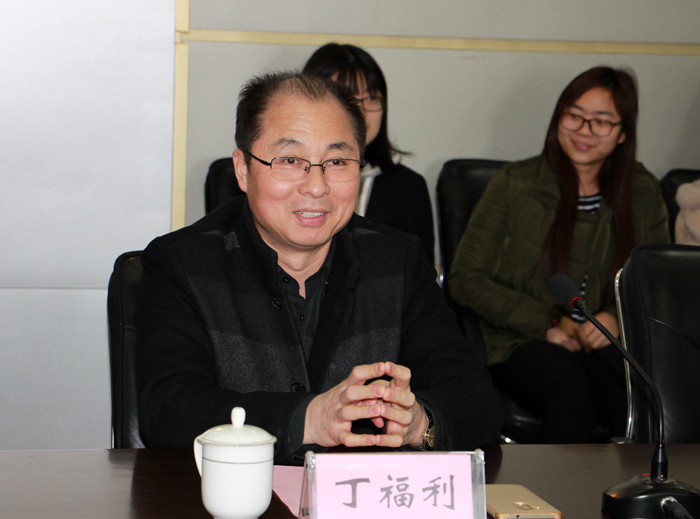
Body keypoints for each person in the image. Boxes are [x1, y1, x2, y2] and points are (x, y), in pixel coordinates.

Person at [136, 71, 503, 465]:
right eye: (290, 160)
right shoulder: (182, 263)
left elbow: (477, 401)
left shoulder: (397, 262)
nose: (316, 186)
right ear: (243, 169)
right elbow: (168, 410)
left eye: (337, 161)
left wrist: (418, 424)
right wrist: (309, 419)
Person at [448, 66, 669, 443]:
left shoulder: (642, 191)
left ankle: (637, 481)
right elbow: (465, 278)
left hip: (600, 339)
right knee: (570, 390)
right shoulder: (515, 184)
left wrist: (614, 316)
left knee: (636, 398)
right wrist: (548, 322)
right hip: (515, 338)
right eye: (574, 116)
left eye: (601, 122)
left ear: (623, 133)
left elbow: (654, 278)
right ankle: (556, 484)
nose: (584, 130)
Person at [303, 43, 435, 265]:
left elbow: (420, 275)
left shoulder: (410, 187)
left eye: (371, 98)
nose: (362, 112)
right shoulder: (282, 177)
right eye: (348, 97)